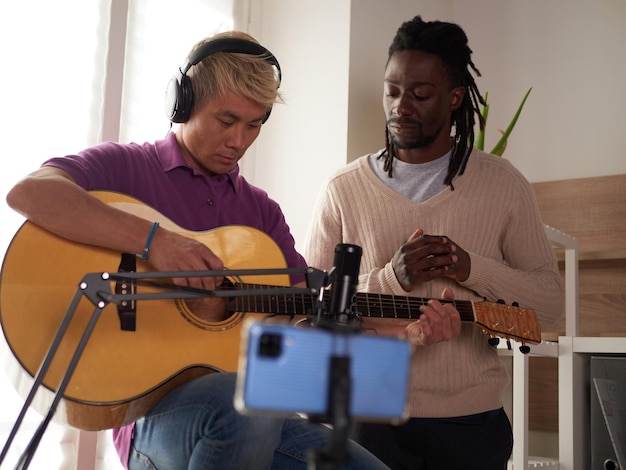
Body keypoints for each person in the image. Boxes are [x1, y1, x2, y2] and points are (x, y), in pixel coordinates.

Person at [6, 31, 389, 470]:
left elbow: (300, 314)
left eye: (254, 124)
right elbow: (30, 193)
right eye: (226, 121)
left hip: (256, 413)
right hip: (151, 417)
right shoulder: (127, 167)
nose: (239, 140)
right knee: (244, 401)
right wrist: (155, 241)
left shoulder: (261, 212)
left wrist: (398, 331)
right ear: (183, 103)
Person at [304, 15, 565, 470]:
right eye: (392, 91)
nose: (401, 107)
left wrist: (470, 268)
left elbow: (549, 307)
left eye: (420, 94)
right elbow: (308, 311)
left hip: (471, 426)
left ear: (456, 97)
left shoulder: (504, 185)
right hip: (366, 422)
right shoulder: (342, 189)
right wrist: (390, 279)